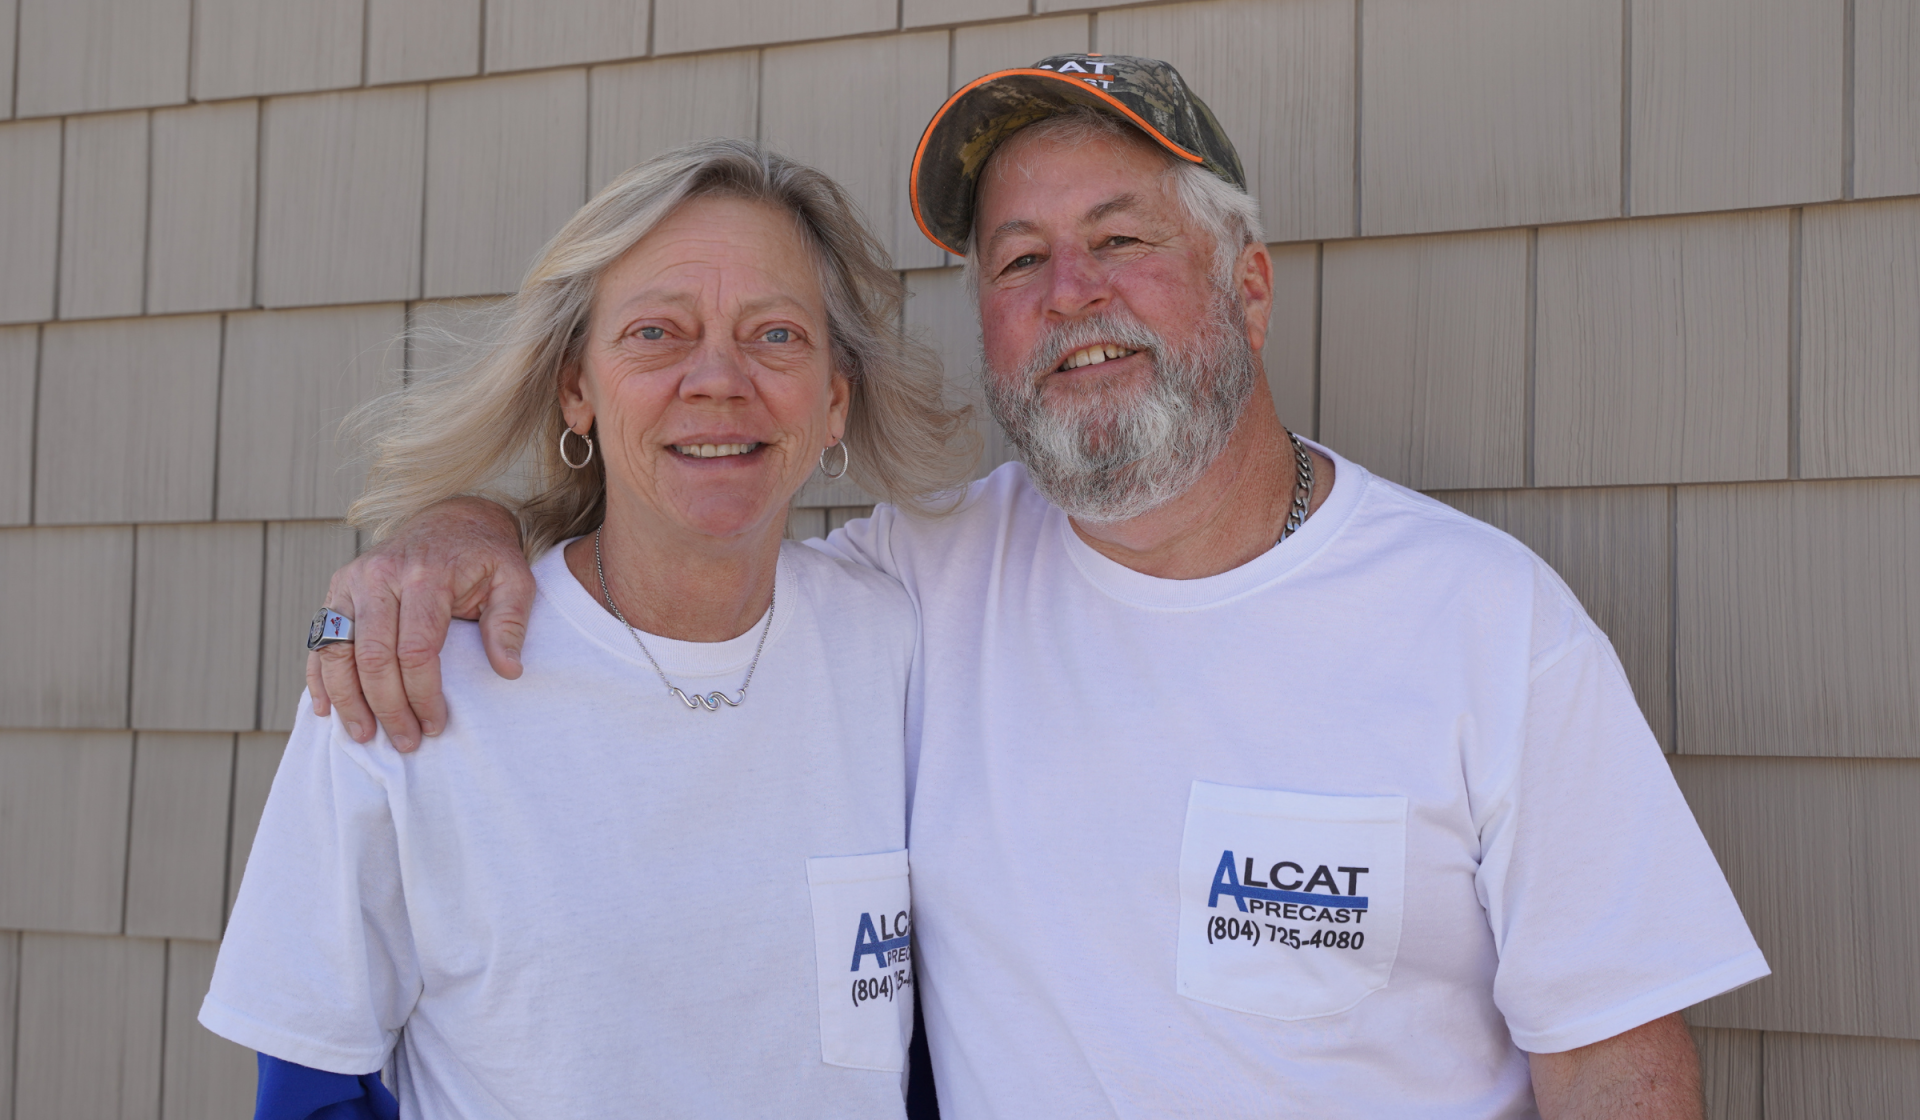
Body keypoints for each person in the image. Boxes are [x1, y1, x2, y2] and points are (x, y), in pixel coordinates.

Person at [311, 57, 1768, 1118]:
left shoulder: (1486, 626)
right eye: (1019, 262)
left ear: (1247, 285)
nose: (1071, 292)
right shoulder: (914, 586)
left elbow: (1619, 1061)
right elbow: (679, 559)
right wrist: (459, 530)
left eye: (1122, 241)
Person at [202, 139, 977, 1119]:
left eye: (775, 335)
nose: (718, 379)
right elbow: (312, 1091)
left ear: (833, 400)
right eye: (658, 332)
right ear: (578, 388)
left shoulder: (898, 641)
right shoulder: (409, 671)